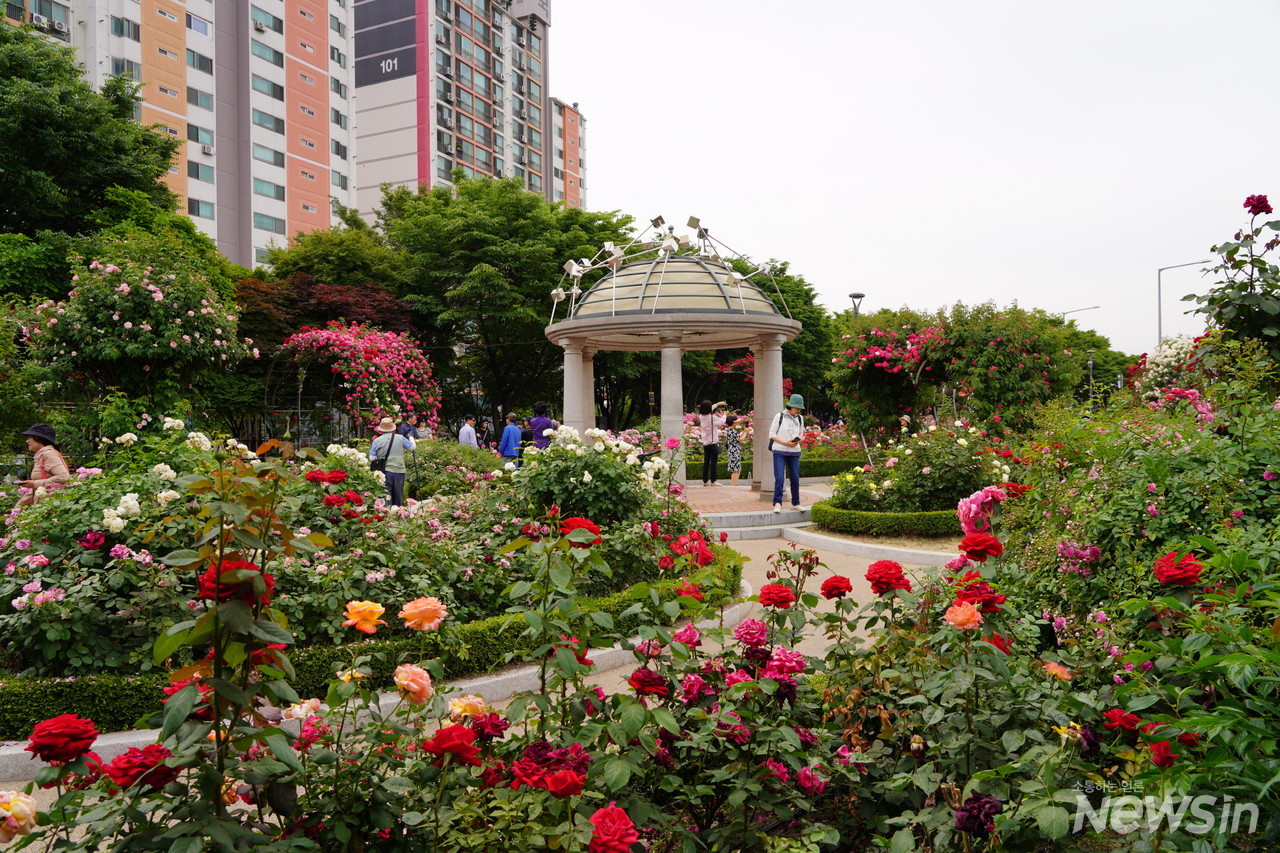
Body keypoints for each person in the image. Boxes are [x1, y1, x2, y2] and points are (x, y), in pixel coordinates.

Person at [768, 394, 806, 513]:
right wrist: (785, 443)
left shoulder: (799, 418)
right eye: (797, 408)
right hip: (780, 451)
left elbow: (801, 433)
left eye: (800, 409)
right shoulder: (779, 416)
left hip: (794, 451)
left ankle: (796, 503)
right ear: (790, 406)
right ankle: (777, 503)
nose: (798, 410)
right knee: (779, 478)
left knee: (795, 479)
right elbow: (772, 434)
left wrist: (799, 439)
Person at [17, 423, 69, 507]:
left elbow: (63, 477)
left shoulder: (49, 454)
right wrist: (15, 511)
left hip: (51, 507)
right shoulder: (42, 456)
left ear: (39, 438)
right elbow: (38, 489)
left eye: (30, 437)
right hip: (45, 507)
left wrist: (34, 484)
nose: (27, 441)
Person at [370, 416, 416, 506]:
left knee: (387, 497)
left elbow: (372, 458)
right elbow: (412, 447)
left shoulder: (376, 441)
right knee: (398, 496)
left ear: (381, 429)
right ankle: (398, 514)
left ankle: (388, 515)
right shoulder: (400, 438)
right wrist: (411, 437)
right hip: (399, 471)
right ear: (392, 428)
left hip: (384, 472)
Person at [697, 400, 727, 486]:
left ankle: (705, 481)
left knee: (706, 462)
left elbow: (708, 408)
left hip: (706, 442)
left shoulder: (701, 416)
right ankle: (713, 481)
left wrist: (717, 404)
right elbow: (722, 422)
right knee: (713, 462)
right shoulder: (712, 418)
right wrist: (725, 414)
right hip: (713, 443)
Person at [724, 414, 743, 485]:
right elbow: (740, 439)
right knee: (736, 470)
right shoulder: (733, 431)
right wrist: (746, 433)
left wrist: (743, 432)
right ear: (734, 422)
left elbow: (737, 437)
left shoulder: (730, 430)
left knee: (736, 469)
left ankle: (734, 484)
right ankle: (734, 484)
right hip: (734, 451)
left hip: (733, 451)